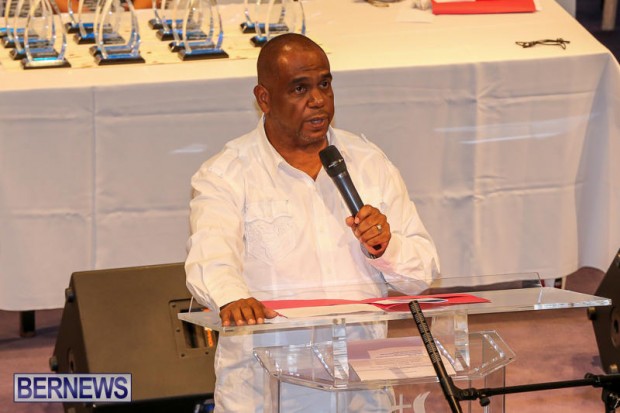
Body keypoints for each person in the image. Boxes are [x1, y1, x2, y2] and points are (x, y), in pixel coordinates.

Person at [185, 33, 440, 413]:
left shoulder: (368, 162)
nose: (318, 99)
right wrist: (232, 298)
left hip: (360, 389)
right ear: (264, 99)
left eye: (324, 84)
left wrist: (386, 247)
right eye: (299, 88)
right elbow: (211, 257)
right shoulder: (226, 173)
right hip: (269, 390)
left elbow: (422, 272)